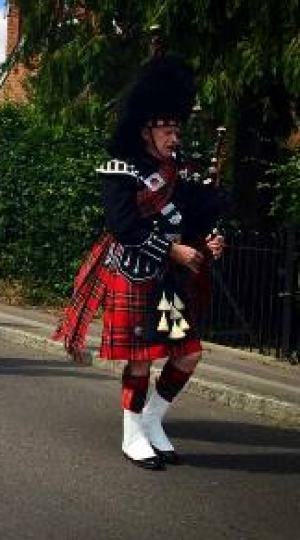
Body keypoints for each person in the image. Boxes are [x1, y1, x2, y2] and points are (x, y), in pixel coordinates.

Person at [53, 57, 230, 470]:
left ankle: (152, 420)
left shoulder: (177, 172)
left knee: (188, 354)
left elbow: (185, 221)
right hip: (131, 271)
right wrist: (173, 251)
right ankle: (132, 433)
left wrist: (205, 242)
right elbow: (122, 225)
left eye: (177, 128)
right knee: (142, 356)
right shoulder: (120, 171)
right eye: (168, 129)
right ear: (146, 131)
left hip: (165, 280)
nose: (175, 135)